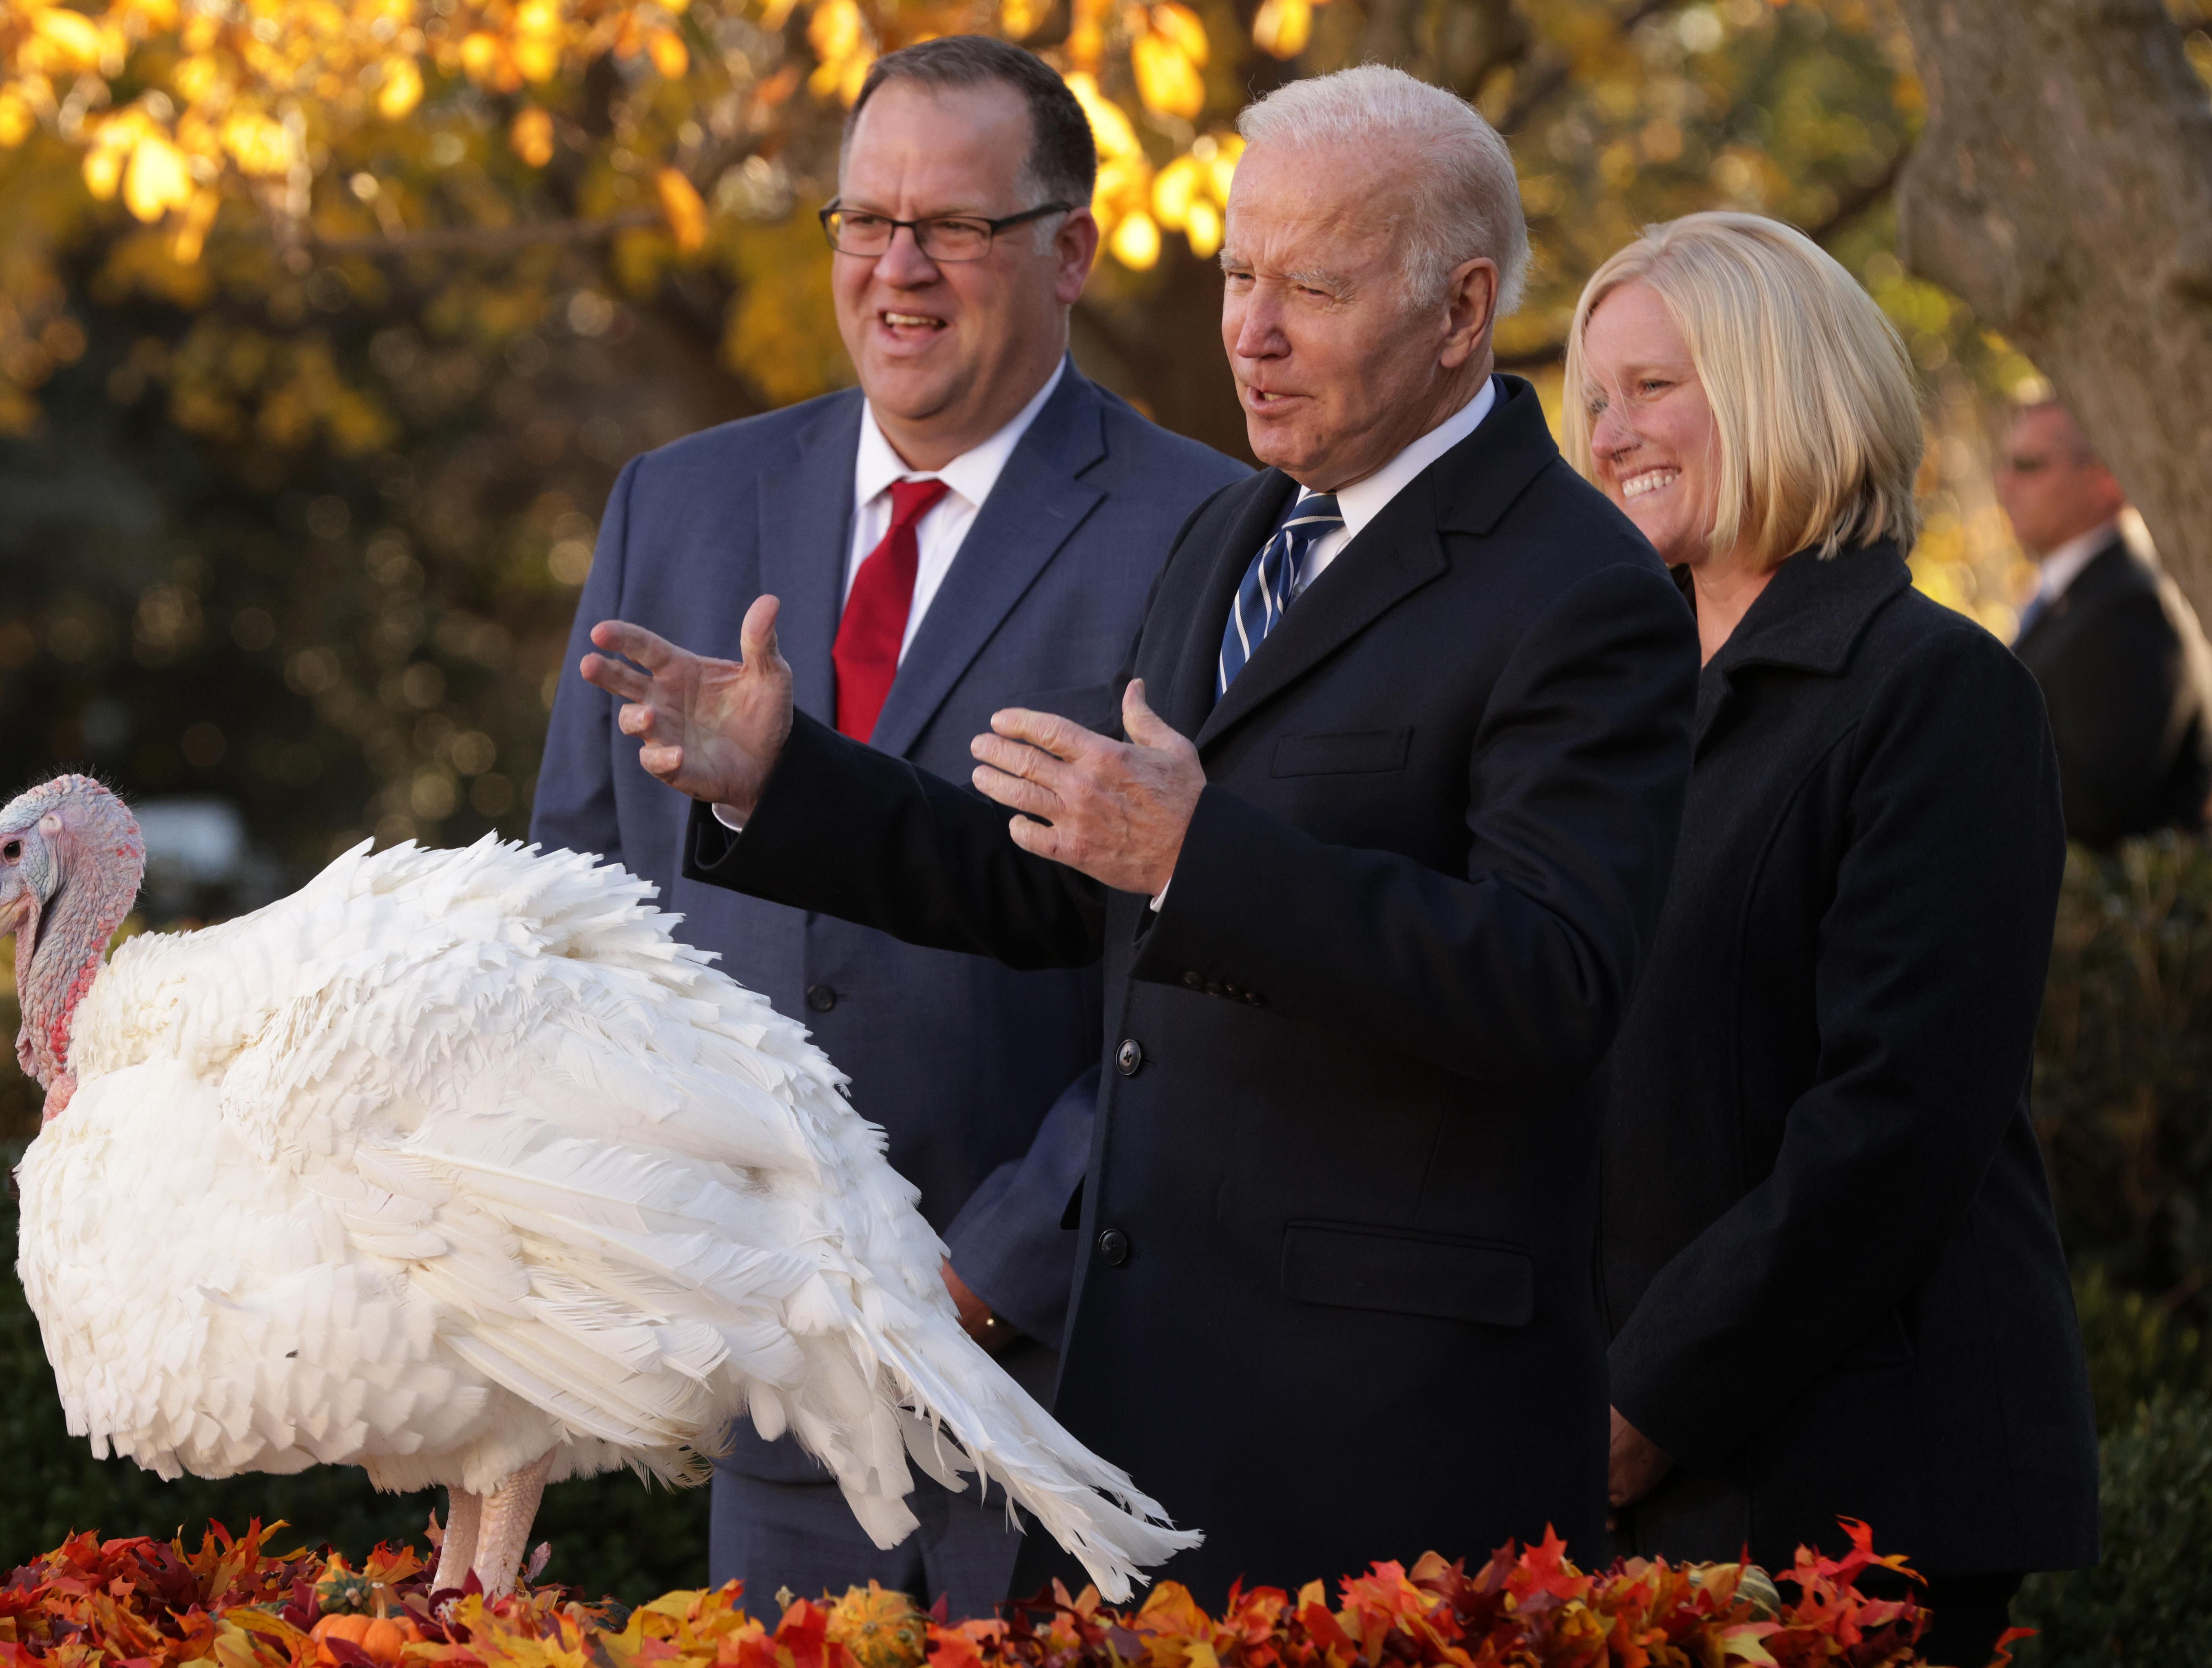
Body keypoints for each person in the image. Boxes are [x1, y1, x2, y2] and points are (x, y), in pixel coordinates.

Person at [577, 63, 1701, 1595]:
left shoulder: (1579, 588)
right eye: (1238, 274)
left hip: (1379, 1447)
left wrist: (1195, 858)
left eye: (1308, 285)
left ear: (1458, 313)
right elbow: (1063, 880)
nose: (1248, 328)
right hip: (1141, 1414)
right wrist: (784, 783)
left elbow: (1554, 984)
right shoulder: (1247, 532)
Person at [527, 34, 1249, 1619]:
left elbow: (1205, 977)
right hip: (776, 1404)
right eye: (864, 221)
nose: (898, 269)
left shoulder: (1203, 527)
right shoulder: (678, 502)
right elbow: (574, 910)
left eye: (954, 228)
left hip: (1066, 1385)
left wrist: (998, 1264)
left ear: (1070, 251)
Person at [1565, 212, 2098, 1666]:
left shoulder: (1934, 692)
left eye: (1654, 386)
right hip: (1599, 1463)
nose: (1612, 433)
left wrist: (1644, 1404)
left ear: (1775, 383)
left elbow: (1891, 1122)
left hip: (1842, 1488)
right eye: (1595, 400)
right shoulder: (1597, 703)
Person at [1997, 400, 2212, 848]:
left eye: (2029, 465)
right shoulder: (2078, 593)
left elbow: (2097, 810)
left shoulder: (2132, 606)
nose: (2005, 485)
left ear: (2107, 477)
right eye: (2006, 463)